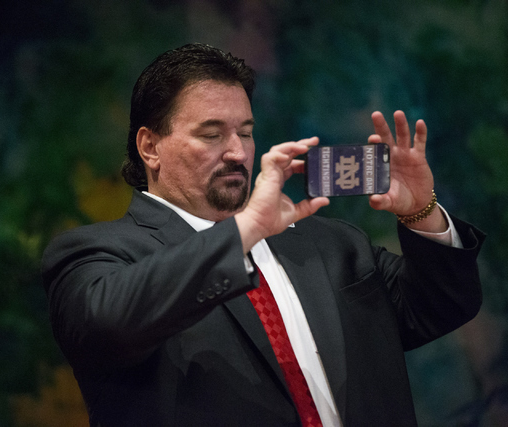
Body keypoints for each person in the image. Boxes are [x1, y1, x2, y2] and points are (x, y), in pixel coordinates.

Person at [41, 43, 485, 427]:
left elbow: (440, 306)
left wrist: (421, 212)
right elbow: (107, 326)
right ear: (150, 147)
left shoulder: (331, 243)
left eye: (246, 133)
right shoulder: (98, 253)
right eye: (212, 134)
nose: (237, 152)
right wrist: (245, 229)